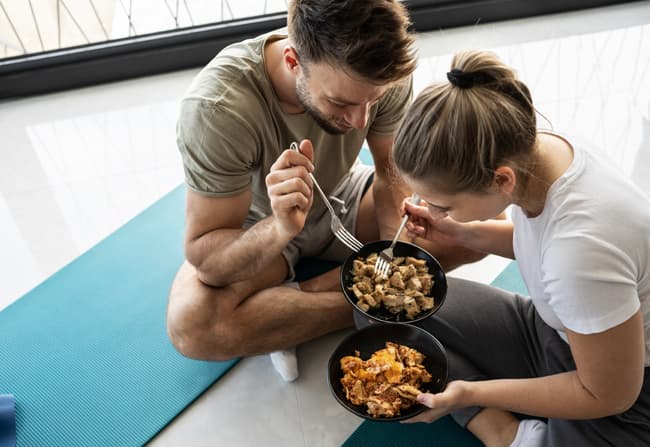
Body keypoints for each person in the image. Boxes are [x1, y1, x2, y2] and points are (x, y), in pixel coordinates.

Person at [165, 0, 484, 382]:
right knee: (192, 325)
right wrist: (281, 226)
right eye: (340, 103)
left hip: (343, 194)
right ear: (292, 60)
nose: (359, 121)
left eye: (374, 101)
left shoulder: (381, 70)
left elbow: (391, 171)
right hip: (259, 227)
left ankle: (298, 310)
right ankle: (363, 304)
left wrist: (391, 255)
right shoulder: (217, 109)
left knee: (479, 221)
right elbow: (209, 262)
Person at [389, 49, 650, 446]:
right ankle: (508, 433)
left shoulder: (580, 252)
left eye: (443, 204)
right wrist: (459, 230)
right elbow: (541, 244)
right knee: (391, 313)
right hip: (560, 330)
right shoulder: (538, 147)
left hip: (623, 389)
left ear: (502, 180)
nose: (433, 210)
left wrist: (474, 393)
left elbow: (611, 393)